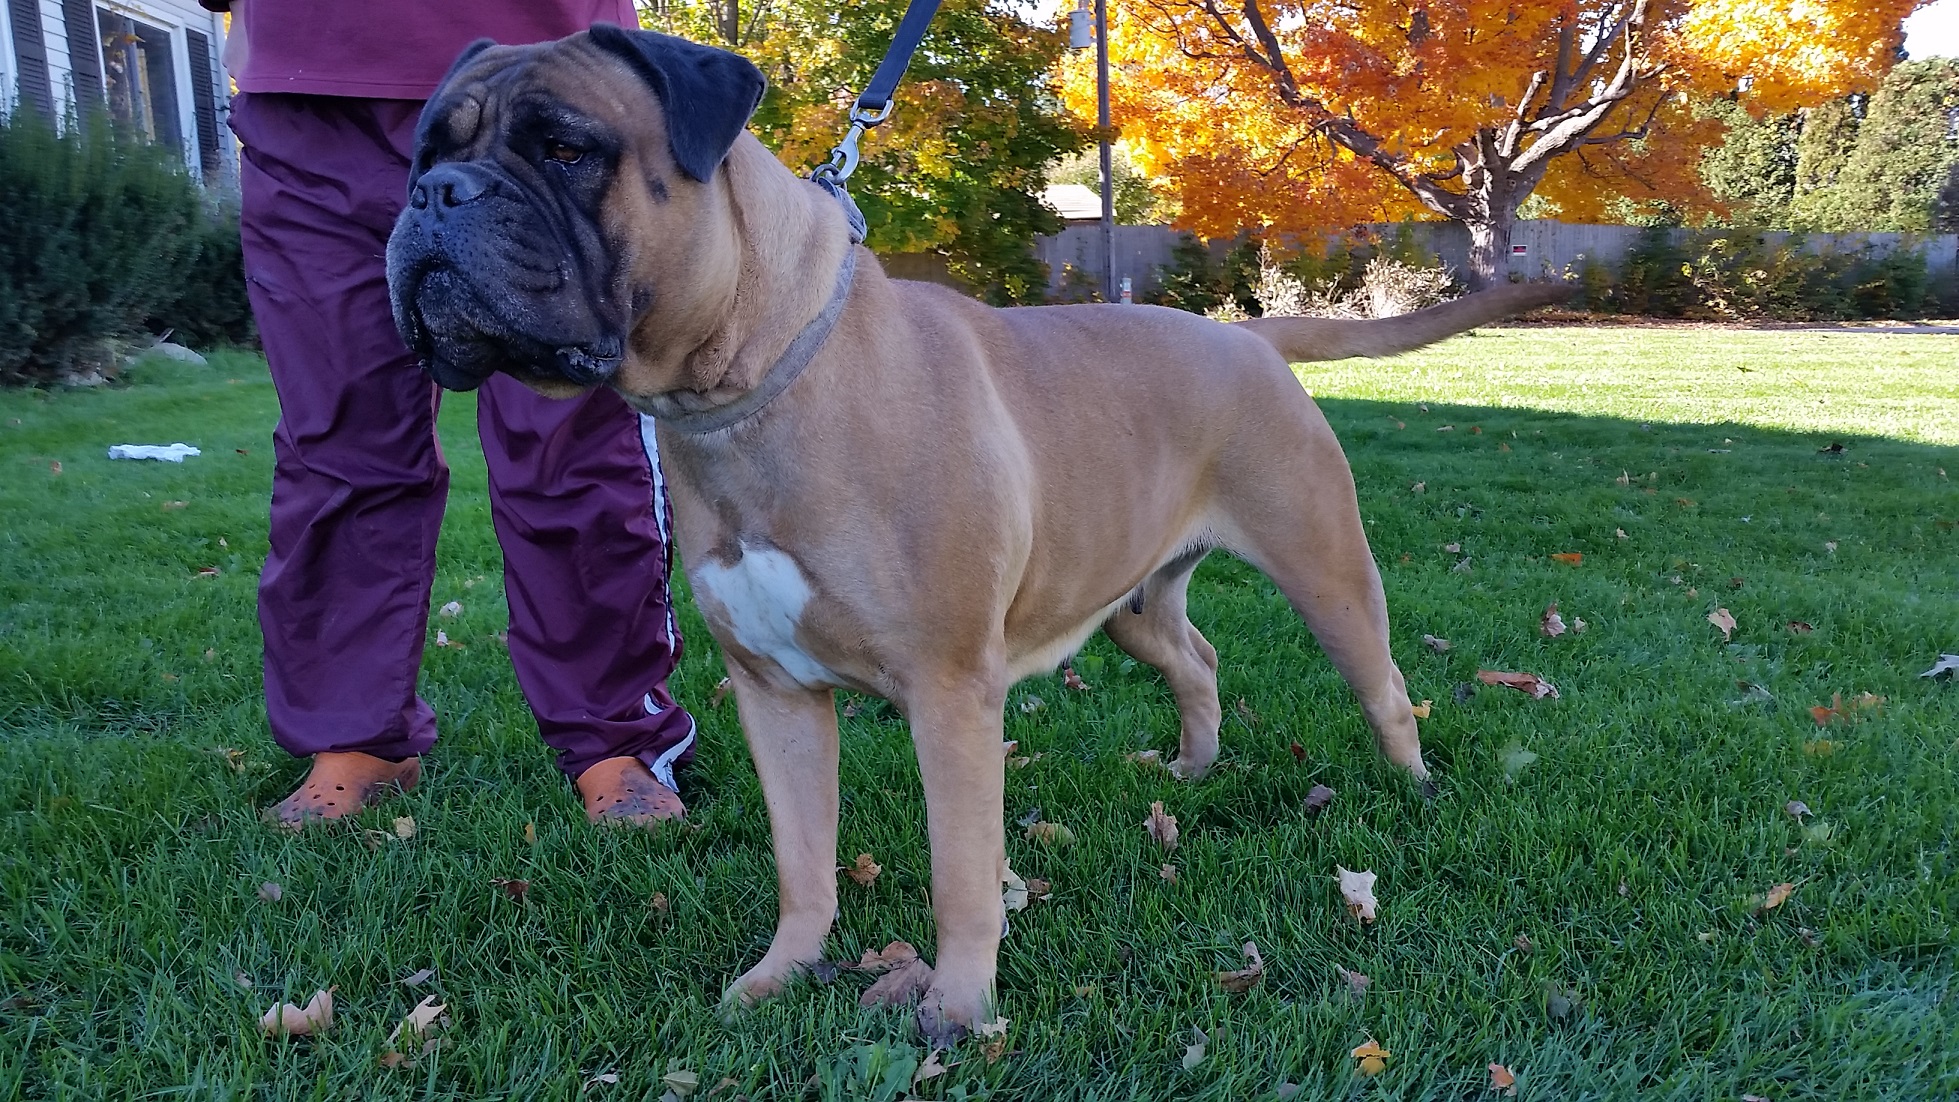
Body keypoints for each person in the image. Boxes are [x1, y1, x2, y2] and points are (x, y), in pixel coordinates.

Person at [205, 0, 697, 827]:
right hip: (311, 95)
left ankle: (614, 735)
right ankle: (355, 735)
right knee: (337, 440)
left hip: (550, 80)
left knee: (572, 445)